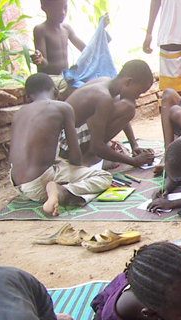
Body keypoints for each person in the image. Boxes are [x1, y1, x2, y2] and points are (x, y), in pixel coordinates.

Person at [8, 73, 111, 216]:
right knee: (103, 177)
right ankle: (60, 192)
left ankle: (47, 190)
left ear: (28, 97)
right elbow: (75, 155)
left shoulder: (18, 114)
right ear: (56, 90)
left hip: (18, 184)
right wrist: (78, 168)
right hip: (39, 183)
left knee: (59, 166)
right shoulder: (63, 107)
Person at [61, 59, 156, 168]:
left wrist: (134, 145)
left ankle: (92, 156)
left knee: (125, 106)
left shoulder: (107, 83)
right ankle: (87, 160)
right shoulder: (104, 98)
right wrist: (133, 161)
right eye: (138, 92)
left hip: (68, 136)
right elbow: (96, 146)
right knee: (128, 107)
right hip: (65, 144)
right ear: (128, 82)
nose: (138, 97)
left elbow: (122, 118)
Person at [32, 0, 85, 99]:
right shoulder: (41, 29)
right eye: (57, 9)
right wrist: (40, 60)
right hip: (50, 77)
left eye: (65, 8)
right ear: (44, 8)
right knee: (73, 86)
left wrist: (101, 32)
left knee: (90, 82)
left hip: (66, 75)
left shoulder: (66, 29)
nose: (63, 12)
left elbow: (86, 49)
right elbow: (44, 64)